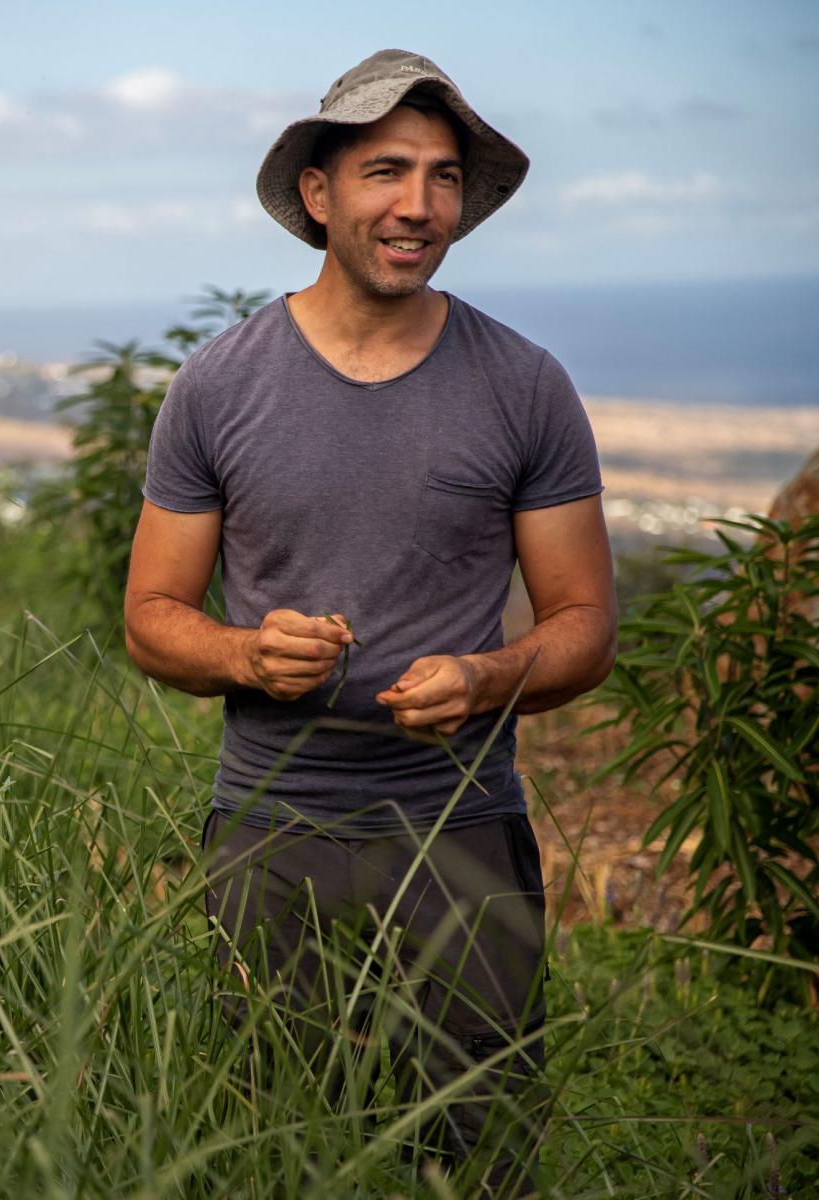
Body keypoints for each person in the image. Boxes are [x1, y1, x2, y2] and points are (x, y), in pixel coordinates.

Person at [124, 48, 617, 1192]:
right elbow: (151, 620)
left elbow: (585, 623)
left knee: (481, 1155)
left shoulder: (525, 384)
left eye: (443, 178)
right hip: (267, 832)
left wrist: (490, 679)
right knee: (267, 1149)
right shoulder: (218, 384)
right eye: (385, 171)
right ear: (318, 193)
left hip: (461, 833)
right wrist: (246, 652)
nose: (417, 206)